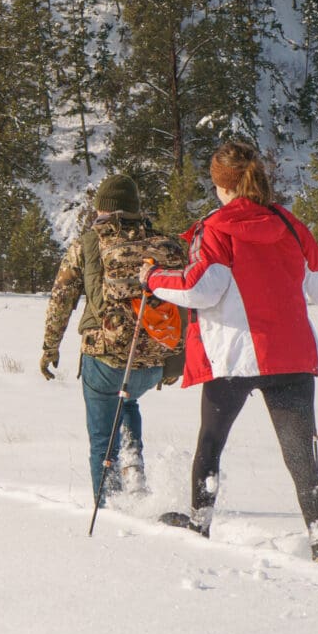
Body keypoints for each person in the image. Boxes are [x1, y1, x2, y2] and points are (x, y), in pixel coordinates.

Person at [139, 140, 318, 566]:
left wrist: (153, 277)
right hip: (290, 356)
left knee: (211, 443)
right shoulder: (289, 225)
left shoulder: (216, 228)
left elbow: (200, 287)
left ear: (220, 185)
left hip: (234, 356)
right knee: (301, 455)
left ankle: (200, 523)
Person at [42, 174, 188, 506]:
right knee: (129, 401)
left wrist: (50, 347)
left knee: (100, 438)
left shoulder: (88, 244)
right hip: (153, 363)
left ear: (103, 210)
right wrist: (176, 359)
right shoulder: (164, 244)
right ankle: (134, 469)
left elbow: (61, 299)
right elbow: (188, 301)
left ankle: (108, 504)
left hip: (106, 360)